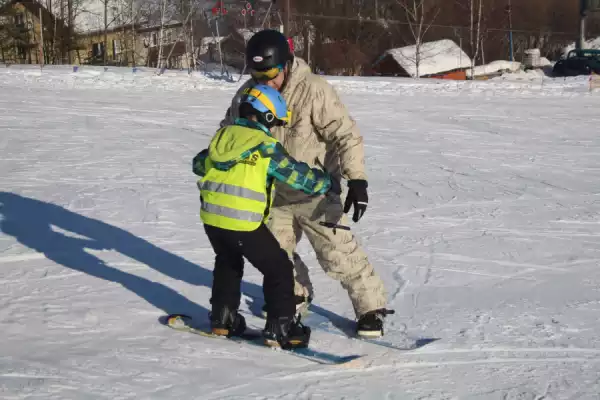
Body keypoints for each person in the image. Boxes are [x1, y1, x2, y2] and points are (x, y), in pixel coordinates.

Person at [220, 29, 392, 338]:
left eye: (270, 73)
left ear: (285, 64)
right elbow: (230, 131)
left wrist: (357, 180)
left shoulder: (313, 90)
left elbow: (345, 134)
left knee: (338, 254)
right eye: (257, 73)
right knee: (276, 254)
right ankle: (295, 294)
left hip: (316, 190)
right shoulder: (249, 94)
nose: (264, 80)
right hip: (272, 193)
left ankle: (371, 307)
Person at [192, 83, 333, 349]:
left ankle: (223, 320)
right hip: (243, 222)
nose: (275, 128)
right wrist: (325, 182)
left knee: (228, 261)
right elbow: (298, 178)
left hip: (212, 219)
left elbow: (198, 164)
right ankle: (281, 328)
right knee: (278, 266)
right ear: (267, 116)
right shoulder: (265, 146)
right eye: (275, 122)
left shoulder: (223, 136)